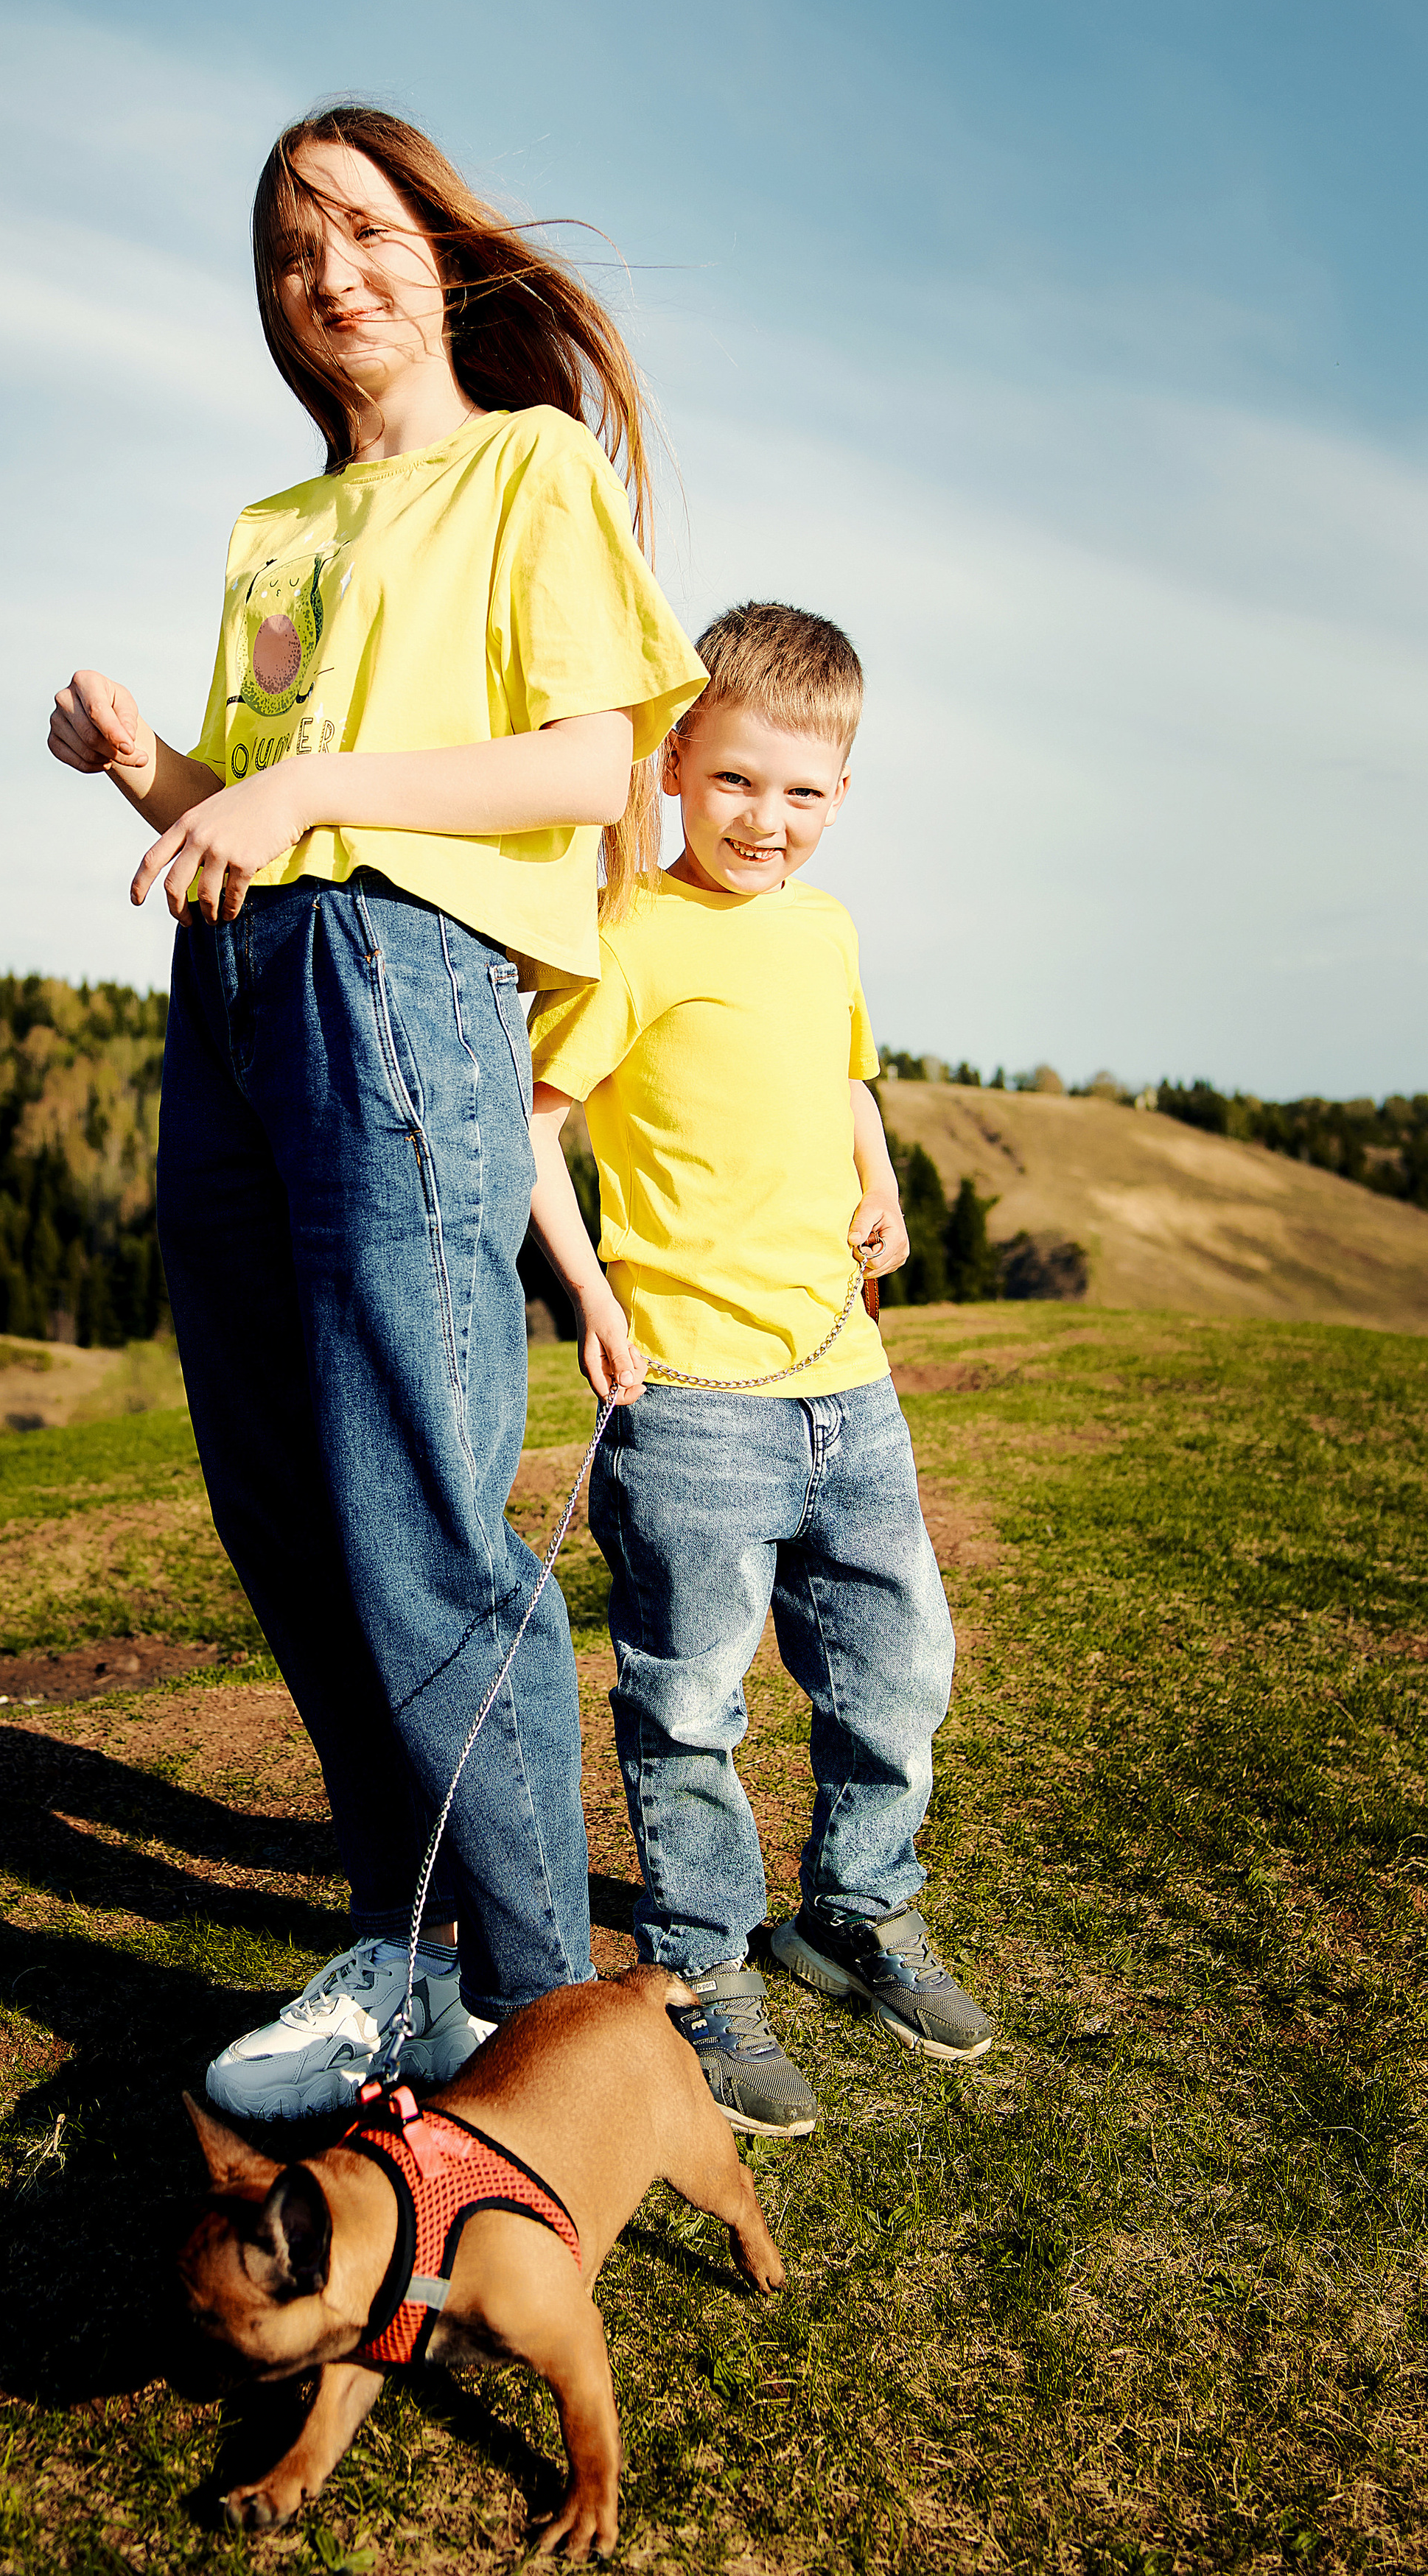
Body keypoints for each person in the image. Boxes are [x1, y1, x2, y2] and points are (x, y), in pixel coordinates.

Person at [47, 105, 705, 2118]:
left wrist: (311, 795)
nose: (328, 271)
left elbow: (592, 767)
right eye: (288, 249)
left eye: (359, 226)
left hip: (406, 982)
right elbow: (249, 799)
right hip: (242, 988)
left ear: (441, 248)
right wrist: (151, 764)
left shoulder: (531, 470)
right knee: (287, 1505)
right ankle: (408, 1948)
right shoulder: (278, 537)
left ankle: (534, 2028)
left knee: (412, 1513)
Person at [525, 601, 995, 2137]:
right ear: (673, 765)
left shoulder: (825, 927)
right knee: (690, 1703)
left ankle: (854, 1911)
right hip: (693, 1408)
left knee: (894, 1670)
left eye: (800, 793)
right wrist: (586, 1292)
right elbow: (535, 1128)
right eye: (733, 783)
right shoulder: (626, 936)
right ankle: (706, 1967)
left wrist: (881, 1180)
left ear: (841, 795)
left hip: (846, 1384)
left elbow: (842, 1068)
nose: (764, 821)